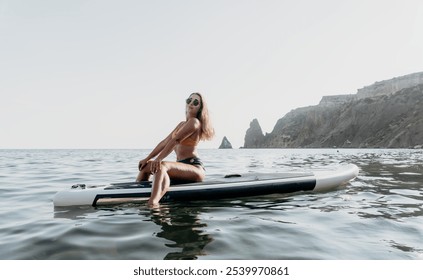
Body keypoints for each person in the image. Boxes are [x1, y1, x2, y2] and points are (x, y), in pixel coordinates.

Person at [136, 93, 214, 207]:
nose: (191, 103)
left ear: (200, 108)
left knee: (161, 166)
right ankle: (136, 192)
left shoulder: (194, 122)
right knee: (145, 167)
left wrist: (159, 159)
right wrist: (147, 158)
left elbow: (176, 140)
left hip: (194, 168)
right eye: (189, 100)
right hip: (180, 166)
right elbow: (164, 142)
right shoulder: (181, 124)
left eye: (196, 102)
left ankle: (153, 203)